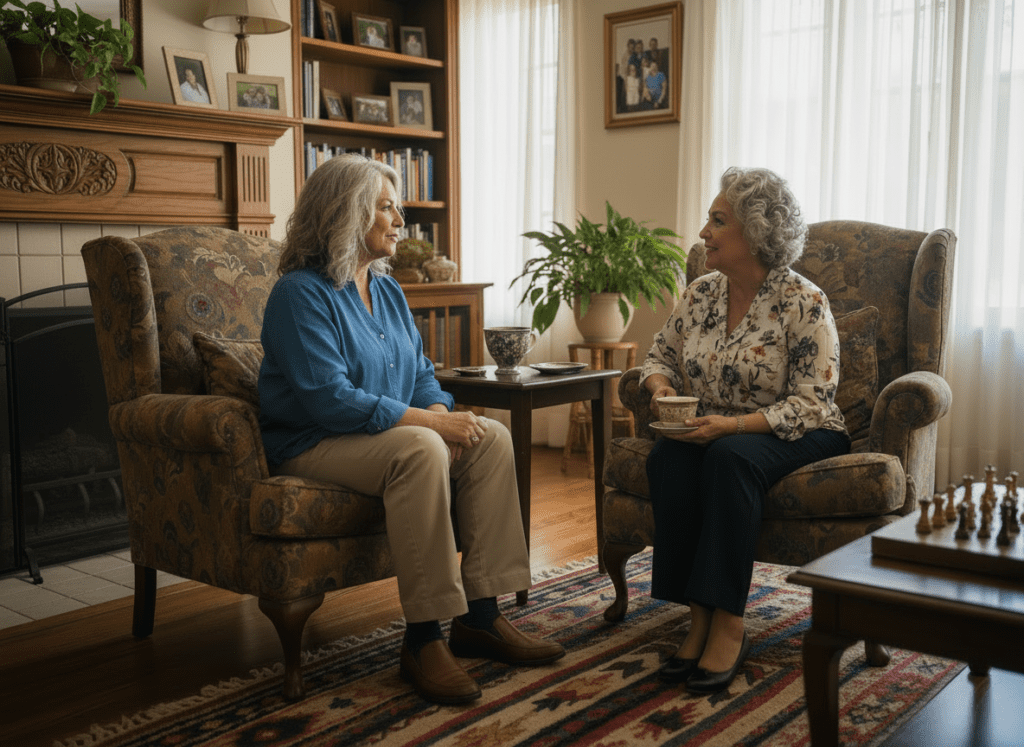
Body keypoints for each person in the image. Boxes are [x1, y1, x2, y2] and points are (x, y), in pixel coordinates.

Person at [258, 155, 564, 706]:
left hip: (381, 438)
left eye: (398, 208)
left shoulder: (389, 290)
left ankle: (481, 618)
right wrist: (430, 425)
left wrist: (444, 418)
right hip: (313, 443)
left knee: (489, 437)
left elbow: (421, 376)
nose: (401, 221)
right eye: (387, 208)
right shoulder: (299, 294)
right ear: (346, 213)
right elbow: (330, 400)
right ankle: (423, 640)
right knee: (425, 444)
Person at [641, 167, 850, 694]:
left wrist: (731, 427)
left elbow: (813, 400)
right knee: (668, 458)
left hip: (803, 428)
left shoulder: (805, 301)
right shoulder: (700, 294)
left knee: (730, 457)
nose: (703, 233)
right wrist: (661, 387)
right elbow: (658, 354)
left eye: (717, 221)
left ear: (755, 233)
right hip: (715, 428)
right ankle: (698, 615)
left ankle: (729, 621)